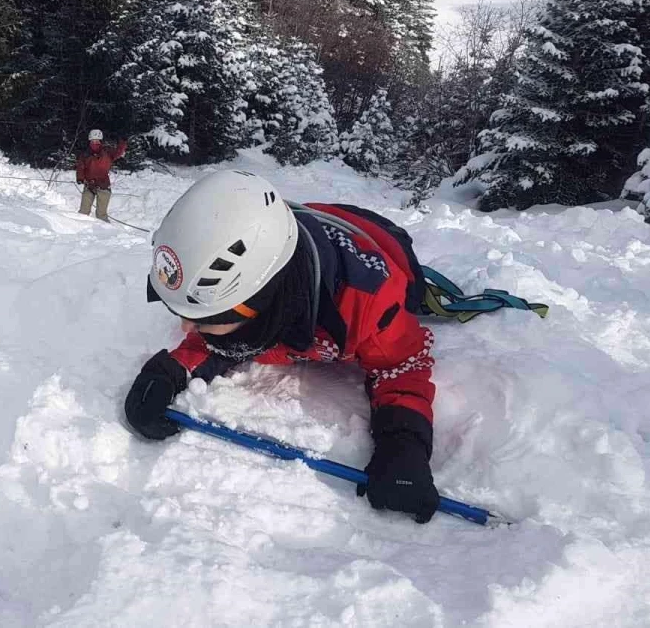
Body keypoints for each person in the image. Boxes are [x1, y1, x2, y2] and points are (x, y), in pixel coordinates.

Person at [126, 169, 441, 524]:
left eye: (203, 317)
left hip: (383, 240)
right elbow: (221, 337)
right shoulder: (257, 283)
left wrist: (404, 443)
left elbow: (403, 365)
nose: (186, 328)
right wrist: (170, 371)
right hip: (309, 222)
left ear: (261, 301)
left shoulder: (368, 301)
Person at [76, 129, 127, 221]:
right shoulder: (85, 154)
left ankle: (104, 232)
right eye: (93, 141)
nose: (95, 143)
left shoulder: (107, 152)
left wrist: (122, 142)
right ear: (89, 141)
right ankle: (80, 230)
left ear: (101, 141)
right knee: (83, 212)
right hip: (89, 186)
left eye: (97, 141)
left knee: (101, 215)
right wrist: (80, 178)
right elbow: (80, 167)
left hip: (103, 186)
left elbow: (119, 152)